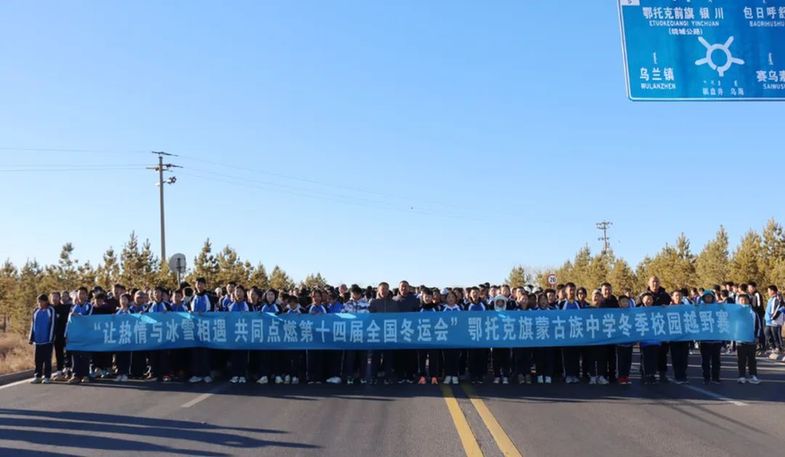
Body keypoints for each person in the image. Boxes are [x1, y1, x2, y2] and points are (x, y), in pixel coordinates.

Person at [342, 284, 370, 384]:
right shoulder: (347, 304)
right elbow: (342, 316)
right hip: (350, 334)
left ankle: (363, 376)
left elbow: (368, 317)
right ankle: (350, 376)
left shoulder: (365, 304)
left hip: (362, 333)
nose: (355, 295)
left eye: (357, 293)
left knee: (363, 356)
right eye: (353, 293)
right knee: (350, 356)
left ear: (360, 294)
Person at [189, 277, 214, 384]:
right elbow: (188, 310)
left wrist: (204, 315)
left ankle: (207, 374)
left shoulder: (209, 297)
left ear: (204, 285)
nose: (199, 286)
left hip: (206, 328)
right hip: (195, 329)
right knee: (196, 353)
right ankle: (197, 374)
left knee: (205, 352)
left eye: (201, 284)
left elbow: (212, 311)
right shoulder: (192, 298)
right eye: (197, 284)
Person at [257, 288, 282, 385]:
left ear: (275, 296)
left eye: (272, 294)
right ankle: (264, 376)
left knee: (276, 356)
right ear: (265, 296)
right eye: (268, 294)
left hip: (276, 335)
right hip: (264, 336)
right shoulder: (261, 307)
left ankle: (278, 375)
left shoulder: (278, 307)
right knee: (264, 356)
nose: (270, 296)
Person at [68, 287, 93, 384]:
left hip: (86, 334)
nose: (81, 295)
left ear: (86, 295)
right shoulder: (73, 307)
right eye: (79, 293)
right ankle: (76, 375)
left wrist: (77, 316)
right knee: (75, 355)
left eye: (83, 293)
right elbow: (69, 320)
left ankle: (85, 375)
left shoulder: (89, 306)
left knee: (85, 355)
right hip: (75, 334)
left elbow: (89, 318)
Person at [29, 293, 55, 384]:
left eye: (41, 301)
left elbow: (52, 324)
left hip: (47, 340)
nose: (39, 303)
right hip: (37, 340)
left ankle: (47, 376)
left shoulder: (50, 310)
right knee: (38, 359)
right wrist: (31, 337)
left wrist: (51, 337)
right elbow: (32, 324)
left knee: (47, 359)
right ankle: (38, 376)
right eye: (38, 301)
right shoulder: (36, 310)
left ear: (46, 301)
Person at [559, 283, 583, 385]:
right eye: (570, 290)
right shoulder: (561, 304)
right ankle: (568, 375)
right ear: (566, 291)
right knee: (567, 355)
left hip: (576, 333)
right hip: (565, 334)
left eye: (573, 290)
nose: (572, 292)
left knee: (576, 355)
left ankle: (576, 375)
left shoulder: (578, 304)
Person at [735, 293, 761, 384]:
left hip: (751, 340)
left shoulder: (753, 312)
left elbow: (758, 325)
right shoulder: (736, 312)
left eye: (745, 299)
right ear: (738, 301)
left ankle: (753, 375)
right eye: (741, 300)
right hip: (740, 340)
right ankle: (742, 375)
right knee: (741, 359)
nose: (743, 301)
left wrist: (757, 336)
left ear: (748, 300)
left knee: (752, 359)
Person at [417, 288, 441, 385]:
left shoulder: (436, 308)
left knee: (433, 358)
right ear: (422, 297)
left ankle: (434, 376)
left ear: (432, 297)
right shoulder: (419, 309)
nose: (427, 298)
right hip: (421, 337)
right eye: (425, 296)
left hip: (433, 338)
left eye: (429, 296)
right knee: (421, 358)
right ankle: (422, 376)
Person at [227, 285, 250, 384]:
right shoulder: (230, 306)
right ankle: (235, 375)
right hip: (234, 334)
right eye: (237, 291)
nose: (238, 293)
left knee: (243, 356)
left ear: (244, 293)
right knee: (235, 356)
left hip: (244, 334)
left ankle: (242, 375)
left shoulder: (247, 305)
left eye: (240, 291)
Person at [698, 290, 722, 384]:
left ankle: (716, 377)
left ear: (713, 298)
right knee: (705, 360)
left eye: (710, 297)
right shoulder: (700, 308)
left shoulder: (718, 308)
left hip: (716, 339)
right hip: (704, 339)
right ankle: (706, 377)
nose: (708, 298)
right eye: (706, 297)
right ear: (703, 298)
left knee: (716, 360)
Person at [638, 292, 660, 384]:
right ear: (643, 300)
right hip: (644, 340)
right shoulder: (638, 311)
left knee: (654, 358)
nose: (648, 301)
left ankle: (652, 375)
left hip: (654, 340)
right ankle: (645, 375)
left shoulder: (656, 310)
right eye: (646, 299)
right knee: (645, 358)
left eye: (650, 299)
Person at [669, 290, 690, 384]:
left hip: (685, 336)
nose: (678, 297)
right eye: (676, 295)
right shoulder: (668, 308)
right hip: (674, 336)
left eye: (679, 295)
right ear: (672, 297)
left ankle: (683, 375)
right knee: (676, 356)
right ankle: (677, 376)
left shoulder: (686, 307)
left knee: (684, 357)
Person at [442, 290, 462, 385]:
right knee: (447, 357)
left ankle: (454, 375)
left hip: (457, 337)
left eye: (452, 297)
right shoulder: (443, 309)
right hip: (445, 337)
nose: (450, 299)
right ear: (446, 299)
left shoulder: (459, 309)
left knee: (455, 357)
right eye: (448, 297)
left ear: (455, 299)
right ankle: (447, 375)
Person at [51, 291, 70, 381]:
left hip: (65, 334)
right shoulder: (50, 309)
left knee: (67, 352)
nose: (54, 299)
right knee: (58, 353)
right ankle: (59, 370)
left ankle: (68, 369)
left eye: (56, 297)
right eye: (53, 297)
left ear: (59, 298)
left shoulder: (66, 307)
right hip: (54, 335)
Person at [114, 293, 133, 382]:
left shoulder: (131, 311)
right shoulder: (117, 311)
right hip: (119, 337)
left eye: (125, 299)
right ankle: (119, 373)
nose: (123, 301)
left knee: (126, 356)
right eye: (122, 299)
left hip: (128, 336)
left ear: (128, 301)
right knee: (118, 356)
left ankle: (125, 373)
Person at [616, 295, 634, 385]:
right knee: (621, 361)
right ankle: (621, 377)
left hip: (629, 343)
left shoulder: (631, 313)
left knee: (628, 360)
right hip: (620, 343)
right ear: (619, 303)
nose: (625, 303)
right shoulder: (616, 314)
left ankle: (626, 376)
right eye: (623, 301)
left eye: (626, 302)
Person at [764, 285, 783, 355]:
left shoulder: (777, 299)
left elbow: (778, 309)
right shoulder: (770, 299)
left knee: (775, 335)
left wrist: (773, 317)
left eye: (768, 291)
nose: (768, 292)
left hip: (774, 321)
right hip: (768, 321)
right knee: (767, 334)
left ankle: (779, 348)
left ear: (772, 291)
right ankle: (773, 348)